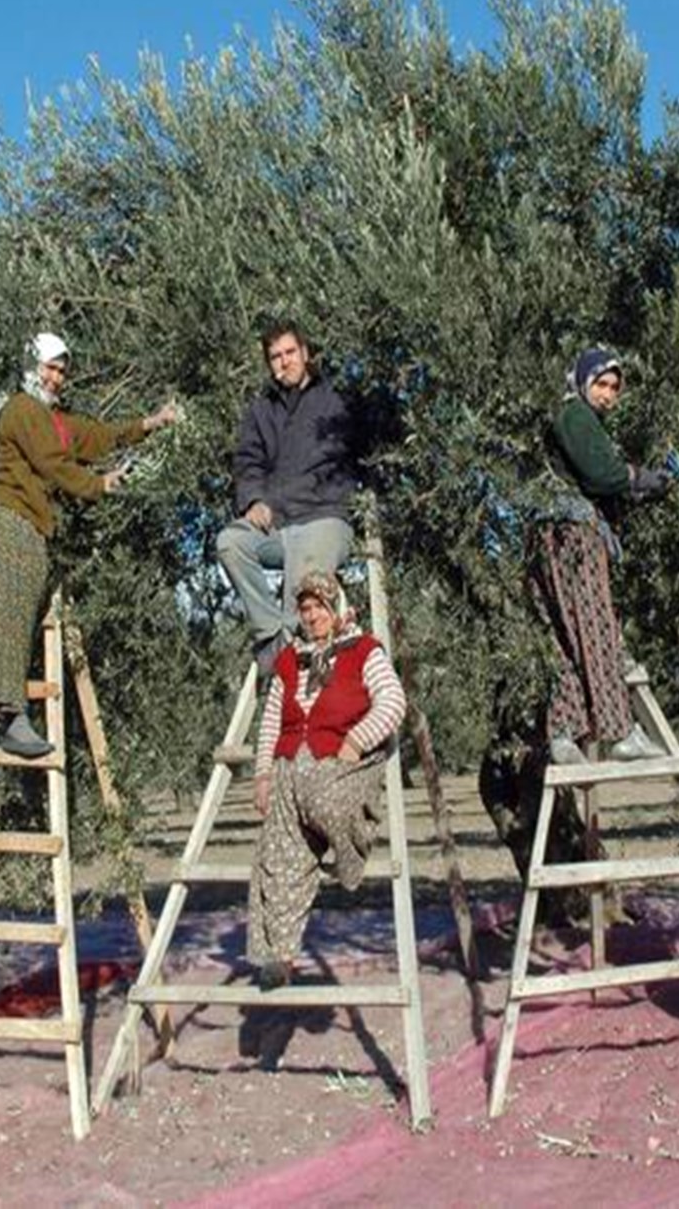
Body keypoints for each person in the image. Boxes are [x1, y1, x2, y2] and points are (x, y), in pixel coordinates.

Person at [0, 331, 179, 756]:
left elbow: (97, 436)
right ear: (31, 367)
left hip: (25, 529)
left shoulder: (53, 419)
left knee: (9, 620)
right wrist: (97, 484)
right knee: (6, 620)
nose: (57, 377)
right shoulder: (22, 409)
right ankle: (9, 720)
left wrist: (150, 423)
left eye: (61, 370)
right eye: (50, 368)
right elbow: (52, 464)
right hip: (4, 524)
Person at [247, 571, 407, 989]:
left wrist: (356, 740)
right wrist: (263, 774)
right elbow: (269, 722)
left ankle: (348, 852)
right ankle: (280, 958)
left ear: (335, 608)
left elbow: (393, 702)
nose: (312, 616)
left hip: (340, 762)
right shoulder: (289, 660)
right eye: (305, 609)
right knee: (277, 860)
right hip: (287, 768)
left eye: (319, 607)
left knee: (328, 800)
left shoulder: (363, 650)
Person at [532, 347, 677, 765]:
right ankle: (620, 731)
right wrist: (638, 477)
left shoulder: (573, 420)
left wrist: (642, 487)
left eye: (615, 387)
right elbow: (604, 476)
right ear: (582, 381)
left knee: (566, 638)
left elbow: (600, 479)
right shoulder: (574, 415)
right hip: (575, 536)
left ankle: (563, 732)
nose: (609, 395)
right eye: (602, 384)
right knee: (596, 628)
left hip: (551, 536)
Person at [217, 321, 360, 673]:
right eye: (275, 357)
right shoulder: (260, 411)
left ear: (305, 354)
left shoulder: (335, 398)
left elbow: (344, 456)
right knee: (230, 543)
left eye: (290, 353)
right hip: (279, 525)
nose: (284, 362)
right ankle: (273, 637)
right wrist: (253, 500)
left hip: (324, 518)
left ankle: (288, 665)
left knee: (301, 588)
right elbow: (248, 461)